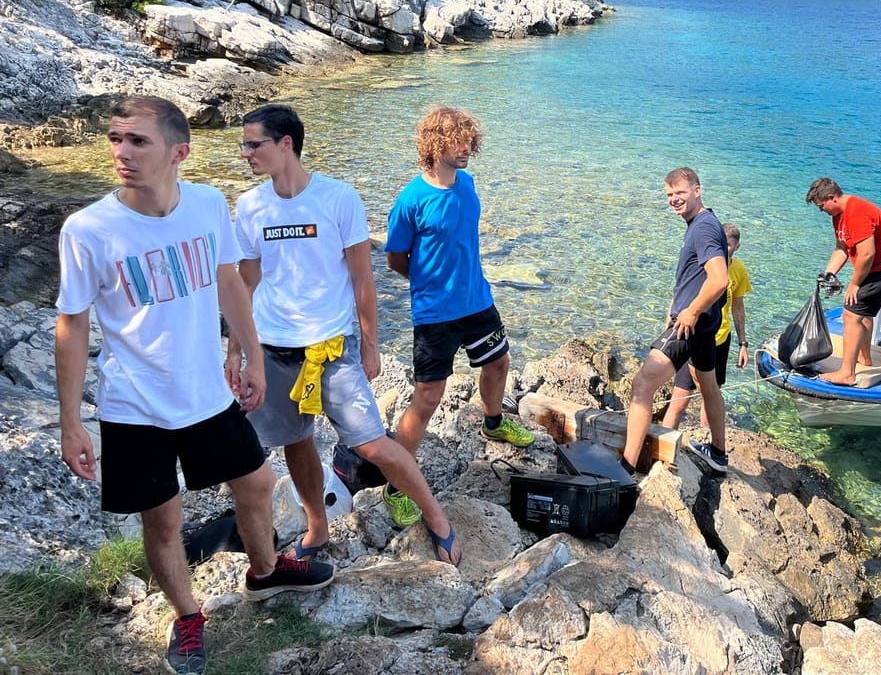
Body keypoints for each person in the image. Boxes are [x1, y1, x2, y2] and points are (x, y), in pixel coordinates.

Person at [55, 96, 335, 675]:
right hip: (135, 404)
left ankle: (265, 573)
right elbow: (73, 325)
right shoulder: (88, 230)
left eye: (138, 141)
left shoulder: (208, 205)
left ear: (178, 152)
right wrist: (70, 420)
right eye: (115, 139)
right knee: (162, 518)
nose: (122, 152)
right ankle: (187, 617)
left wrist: (250, 355)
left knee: (256, 481)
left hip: (206, 389)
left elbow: (228, 279)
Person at [227, 104, 460, 567]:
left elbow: (362, 280)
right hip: (273, 349)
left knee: (372, 442)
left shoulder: (338, 198)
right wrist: (237, 349)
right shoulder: (250, 205)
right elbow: (246, 281)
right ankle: (318, 528)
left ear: (285, 144)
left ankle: (438, 520)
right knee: (296, 442)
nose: (245, 153)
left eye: (254, 144)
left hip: (332, 349)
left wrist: (369, 346)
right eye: (244, 145)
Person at [385, 105, 535, 462]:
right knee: (428, 396)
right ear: (436, 145)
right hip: (435, 313)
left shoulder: (467, 183)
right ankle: (396, 483)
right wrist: (428, 281)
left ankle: (494, 422)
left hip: (477, 301)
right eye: (459, 142)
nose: (468, 149)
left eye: (470, 142)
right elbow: (395, 258)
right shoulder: (410, 201)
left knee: (498, 363)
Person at [622, 167, 730, 474]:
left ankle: (626, 467)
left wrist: (691, 310)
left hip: (691, 325)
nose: (674, 199)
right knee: (708, 386)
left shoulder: (703, 228)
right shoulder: (704, 222)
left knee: (642, 384)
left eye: (680, 192)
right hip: (707, 323)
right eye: (669, 194)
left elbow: (720, 279)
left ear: (697, 190)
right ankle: (719, 454)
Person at [806, 178, 881, 386]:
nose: (821, 210)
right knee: (863, 312)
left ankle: (846, 373)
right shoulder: (838, 215)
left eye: (821, 205)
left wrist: (854, 283)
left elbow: (867, 254)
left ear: (832, 197)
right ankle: (865, 357)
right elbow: (842, 248)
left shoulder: (856, 212)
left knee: (851, 313)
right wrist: (829, 273)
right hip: (872, 266)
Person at [662, 222, 751, 430]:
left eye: (728, 245)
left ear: (736, 246)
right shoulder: (703, 263)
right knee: (680, 398)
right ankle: (662, 443)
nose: (723, 249)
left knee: (710, 396)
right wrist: (668, 329)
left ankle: (705, 438)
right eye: (721, 244)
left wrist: (743, 343)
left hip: (720, 339)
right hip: (693, 334)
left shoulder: (738, 270)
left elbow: (738, 308)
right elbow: (678, 297)